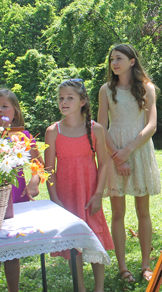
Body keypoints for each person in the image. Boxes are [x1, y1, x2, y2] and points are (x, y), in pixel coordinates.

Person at [98, 44, 161, 282]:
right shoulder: (106, 89)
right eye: (112, 59)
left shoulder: (147, 88)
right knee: (117, 213)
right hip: (113, 148)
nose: (114, 63)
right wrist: (117, 156)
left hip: (139, 148)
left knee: (143, 211)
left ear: (132, 61)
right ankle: (123, 268)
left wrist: (128, 151)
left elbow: (151, 125)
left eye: (119, 58)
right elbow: (101, 126)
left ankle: (146, 266)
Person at [44, 79, 114, 292]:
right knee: (73, 242)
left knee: (96, 236)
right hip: (66, 197)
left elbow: (104, 163)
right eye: (61, 98)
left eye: (69, 98)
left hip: (89, 195)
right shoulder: (53, 131)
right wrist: (55, 200)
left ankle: (99, 288)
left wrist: (98, 194)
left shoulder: (95, 129)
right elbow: (49, 169)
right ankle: (80, 288)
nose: (64, 102)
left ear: (83, 101)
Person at [0, 88, 42, 292]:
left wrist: (34, 181)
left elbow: (38, 164)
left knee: (11, 250)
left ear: (15, 111)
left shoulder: (22, 135)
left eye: (4, 106)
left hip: (16, 199)